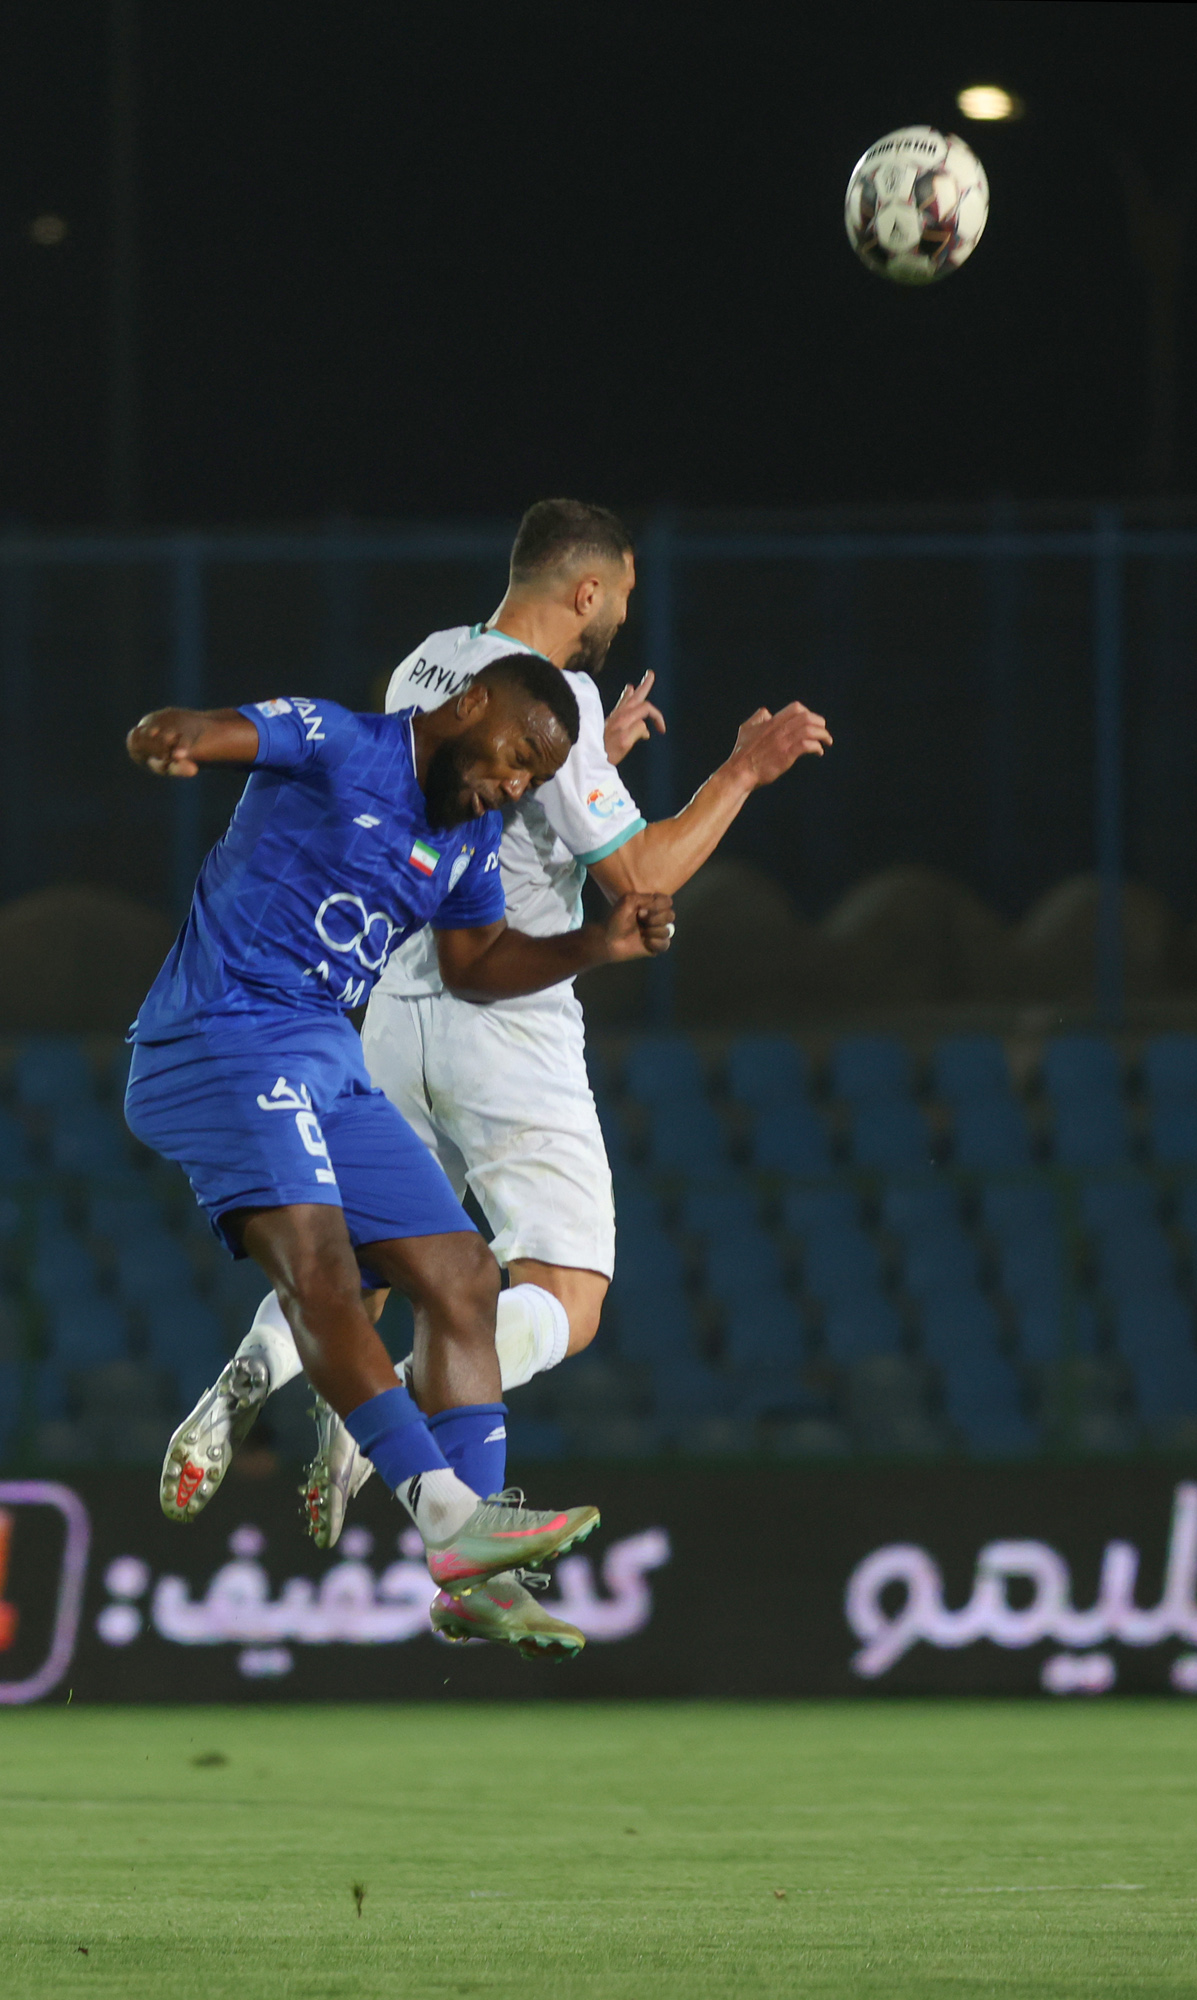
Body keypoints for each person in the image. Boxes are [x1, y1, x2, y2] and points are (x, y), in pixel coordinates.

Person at [164, 495, 829, 1636]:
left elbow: (471, 799)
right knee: (566, 1293)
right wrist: (739, 774)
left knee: (369, 1256)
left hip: (386, 1000)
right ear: (586, 589)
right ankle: (400, 1433)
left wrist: (596, 763)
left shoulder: (433, 664)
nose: (623, 613)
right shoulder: (556, 691)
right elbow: (641, 879)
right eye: (622, 593)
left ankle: (262, 1368)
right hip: (503, 1012)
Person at [125, 655, 674, 1660]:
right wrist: (176, 734)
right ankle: (449, 1518)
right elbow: (220, 727)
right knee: (323, 1269)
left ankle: (475, 1583)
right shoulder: (341, 743)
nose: (514, 783)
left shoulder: (467, 838)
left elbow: (477, 965)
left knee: (462, 1273)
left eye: (533, 776)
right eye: (515, 755)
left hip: (323, 1055)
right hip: (219, 1038)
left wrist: (598, 946)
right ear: (470, 704)